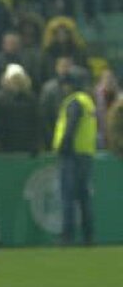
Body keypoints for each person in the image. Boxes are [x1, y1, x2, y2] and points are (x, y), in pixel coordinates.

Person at [52, 67, 95, 246]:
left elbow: (71, 125)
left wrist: (64, 145)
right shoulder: (88, 101)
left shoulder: (74, 102)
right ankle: (88, 236)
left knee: (68, 197)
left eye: (65, 84)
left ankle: (67, 236)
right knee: (84, 197)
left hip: (72, 154)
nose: (63, 88)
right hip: (86, 153)